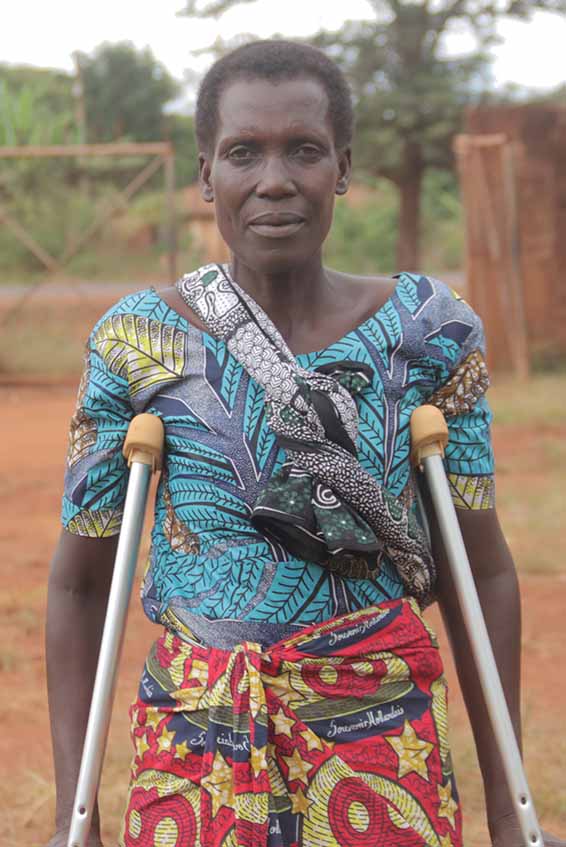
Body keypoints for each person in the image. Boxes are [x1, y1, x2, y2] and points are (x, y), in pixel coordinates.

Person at [45, 40, 563, 847]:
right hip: (200, 752)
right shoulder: (136, 340)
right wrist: (71, 822)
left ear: (343, 168)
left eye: (305, 150)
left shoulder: (431, 333)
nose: (275, 179)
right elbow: (81, 587)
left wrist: (508, 812)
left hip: (379, 742)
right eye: (243, 152)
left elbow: (481, 569)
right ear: (206, 174)